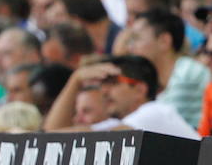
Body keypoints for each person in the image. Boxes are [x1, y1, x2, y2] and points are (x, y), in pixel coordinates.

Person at [44, 55, 199, 138]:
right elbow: (52, 136)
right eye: (103, 84)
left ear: (139, 89)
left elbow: (85, 138)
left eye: (113, 83)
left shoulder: (156, 112)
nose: (104, 91)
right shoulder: (121, 123)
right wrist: (75, 80)